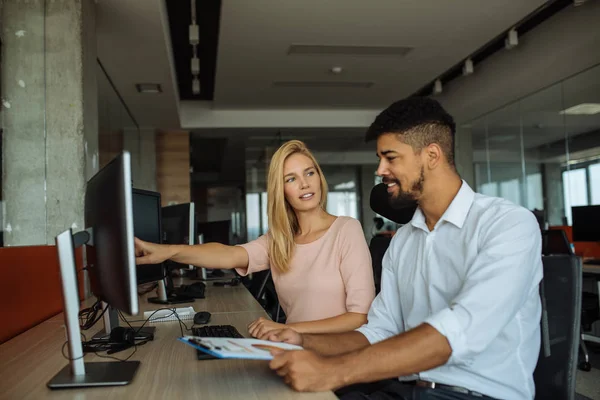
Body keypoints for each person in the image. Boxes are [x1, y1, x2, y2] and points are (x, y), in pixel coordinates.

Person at [262, 97, 543, 400]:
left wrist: (333, 371)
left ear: (432, 155)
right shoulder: (404, 241)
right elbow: (377, 332)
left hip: (476, 393)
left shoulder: (508, 225)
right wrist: (302, 340)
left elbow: (460, 331)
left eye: (391, 158)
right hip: (407, 389)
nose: (381, 170)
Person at [135, 140, 375, 338]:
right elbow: (228, 255)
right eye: (291, 179)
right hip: (294, 348)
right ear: (281, 191)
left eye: (309, 172)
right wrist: (169, 252)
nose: (304, 184)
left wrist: (289, 329)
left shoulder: (346, 230)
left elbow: (360, 317)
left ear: (319, 177)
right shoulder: (280, 240)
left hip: (337, 353)